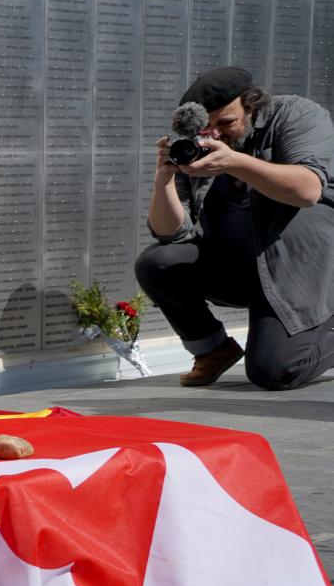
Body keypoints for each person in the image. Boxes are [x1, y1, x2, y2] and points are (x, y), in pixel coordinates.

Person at [137, 66, 334, 390]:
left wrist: (234, 162)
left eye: (226, 123)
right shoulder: (198, 143)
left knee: (273, 371)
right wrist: (164, 179)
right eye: (207, 127)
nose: (216, 134)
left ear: (251, 106)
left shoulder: (297, 116)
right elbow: (171, 233)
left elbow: (307, 190)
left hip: (301, 270)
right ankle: (213, 350)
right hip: (241, 266)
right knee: (157, 263)